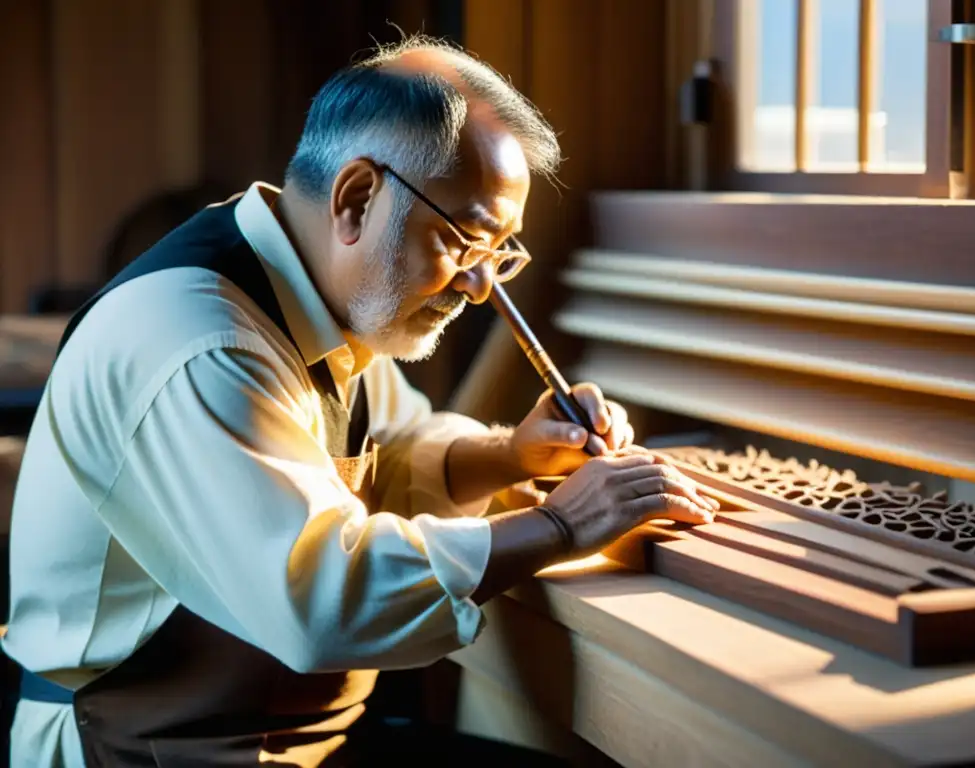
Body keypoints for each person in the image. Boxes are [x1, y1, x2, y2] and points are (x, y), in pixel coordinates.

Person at [2, 37, 718, 767]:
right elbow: (321, 601)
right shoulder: (200, 339)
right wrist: (565, 523)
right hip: (141, 749)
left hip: (289, 740)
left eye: (499, 254)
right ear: (357, 198)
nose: (478, 287)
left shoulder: (321, 298)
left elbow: (397, 451)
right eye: (465, 242)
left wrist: (509, 455)